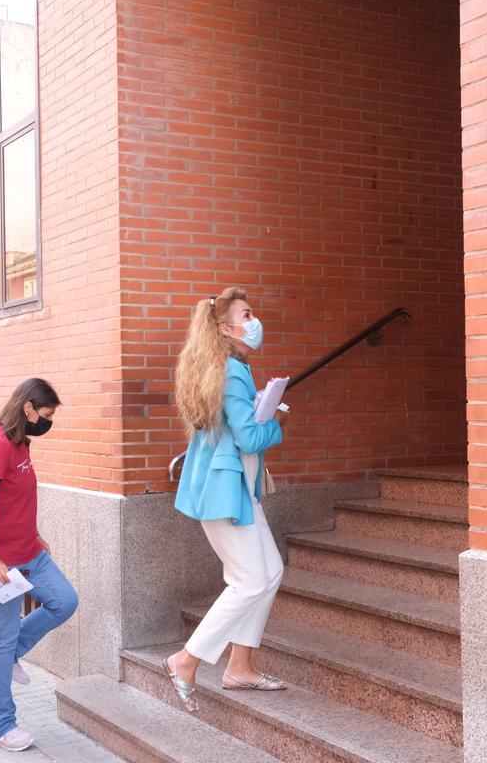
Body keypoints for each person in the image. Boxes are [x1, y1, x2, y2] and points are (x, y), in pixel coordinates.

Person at [163, 286, 289, 713]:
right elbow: (251, 437)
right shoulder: (233, 371)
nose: (254, 322)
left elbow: (232, 425)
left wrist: (256, 406)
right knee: (249, 581)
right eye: (247, 314)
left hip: (233, 494)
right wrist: (274, 422)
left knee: (269, 572)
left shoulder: (224, 367)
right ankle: (186, 660)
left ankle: (240, 666)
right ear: (225, 327)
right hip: (224, 496)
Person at [0, 378, 78, 753]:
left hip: (29, 549)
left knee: (64, 601)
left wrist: (34, 532)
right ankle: (0, 724)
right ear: (28, 408)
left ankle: (10, 653)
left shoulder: (20, 442)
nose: (47, 422)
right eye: (45, 415)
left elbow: (14, 499)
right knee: (2, 635)